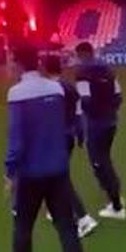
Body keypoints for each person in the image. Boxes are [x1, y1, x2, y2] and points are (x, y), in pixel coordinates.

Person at [0, 43, 86, 252]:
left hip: (31, 173)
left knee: (23, 228)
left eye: (9, 59)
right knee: (67, 229)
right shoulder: (56, 89)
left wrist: (9, 173)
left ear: (17, 61)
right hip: (58, 169)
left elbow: (16, 140)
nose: (8, 65)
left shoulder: (17, 93)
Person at [41, 52, 99, 238]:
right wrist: (80, 135)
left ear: (44, 68)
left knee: (60, 180)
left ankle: (84, 219)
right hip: (69, 137)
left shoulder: (50, 90)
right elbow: (78, 113)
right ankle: (56, 208)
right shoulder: (69, 87)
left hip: (56, 139)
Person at [74, 42, 125, 220]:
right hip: (111, 122)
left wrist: (93, 116)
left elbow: (85, 100)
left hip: (97, 124)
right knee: (105, 159)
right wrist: (109, 110)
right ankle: (114, 195)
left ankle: (117, 205)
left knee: (99, 162)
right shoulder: (108, 69)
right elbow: (119, 96)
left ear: (81, 54)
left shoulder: (82, 73)